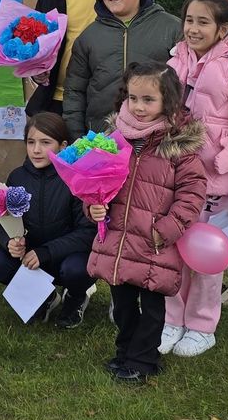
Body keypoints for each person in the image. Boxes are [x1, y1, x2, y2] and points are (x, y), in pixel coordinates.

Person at [85, 62, 207, 386]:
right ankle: (125, 352)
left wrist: (165, 230)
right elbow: (95, 184)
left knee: (151, 306)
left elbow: (192, 194)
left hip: (154, 243)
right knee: (122, 305)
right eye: (133, 97)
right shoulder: (113, 139)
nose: (139, 107)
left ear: (168, 101)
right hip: (118, 239)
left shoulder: (178, 146)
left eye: (148, 100)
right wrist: (93, 207)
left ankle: (143, 360)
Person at [161, 0, 228, 358]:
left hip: (215, 182)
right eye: (189, 20)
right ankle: (171, 320)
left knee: (205, 258)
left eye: (202, 22)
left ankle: (202, 326)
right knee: (171, 250)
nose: (193, 28)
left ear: (223, 29)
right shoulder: (173, 62)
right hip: (175, 178)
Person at [0, 112, 96, 328]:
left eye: (45, 142)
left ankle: (76, 297)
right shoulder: (17, 177)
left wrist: (46, 252)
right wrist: (9, 242)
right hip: (31, 259)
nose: (36, 150)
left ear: (63, 146)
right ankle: (46, 297)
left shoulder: (76, 179)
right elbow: (3, 221)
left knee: (77, 269)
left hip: (67, 259)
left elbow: (87, 233)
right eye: (31, 142)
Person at [62, 0, 181, 137]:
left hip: (156, 141)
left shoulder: (173, 28)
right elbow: (74, 92)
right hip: (102, 140)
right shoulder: (88, 37)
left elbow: (187, 86)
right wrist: (76, 137)